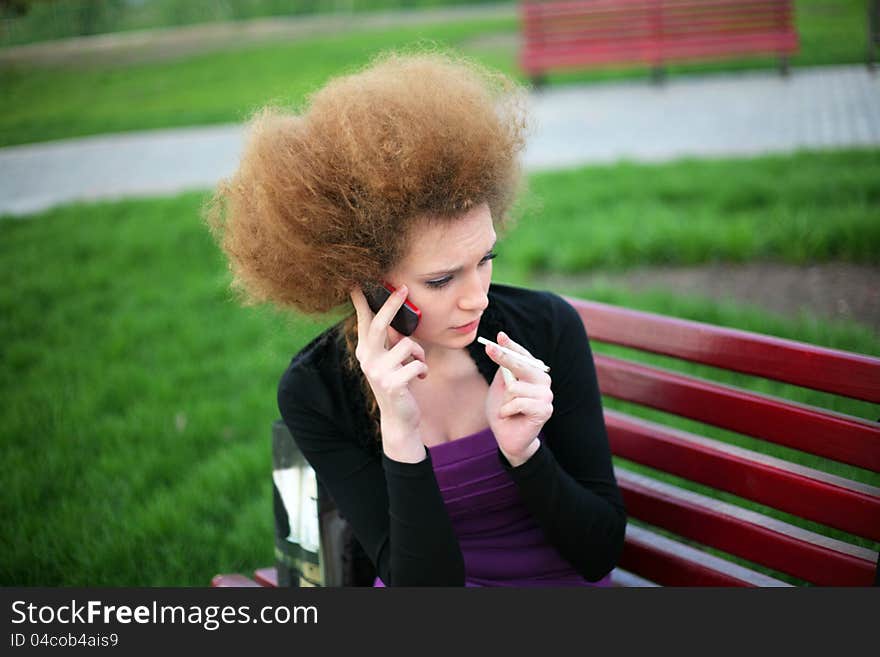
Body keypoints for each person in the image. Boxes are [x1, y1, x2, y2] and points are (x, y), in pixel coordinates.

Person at [206, 51, 626, 587]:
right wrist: (400, 434)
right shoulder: (317, 390)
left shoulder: (546, 329)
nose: (477, 297)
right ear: (366, 279)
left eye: (486, 260)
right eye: (442, 280)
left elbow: (599, 553)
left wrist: (527, 454)